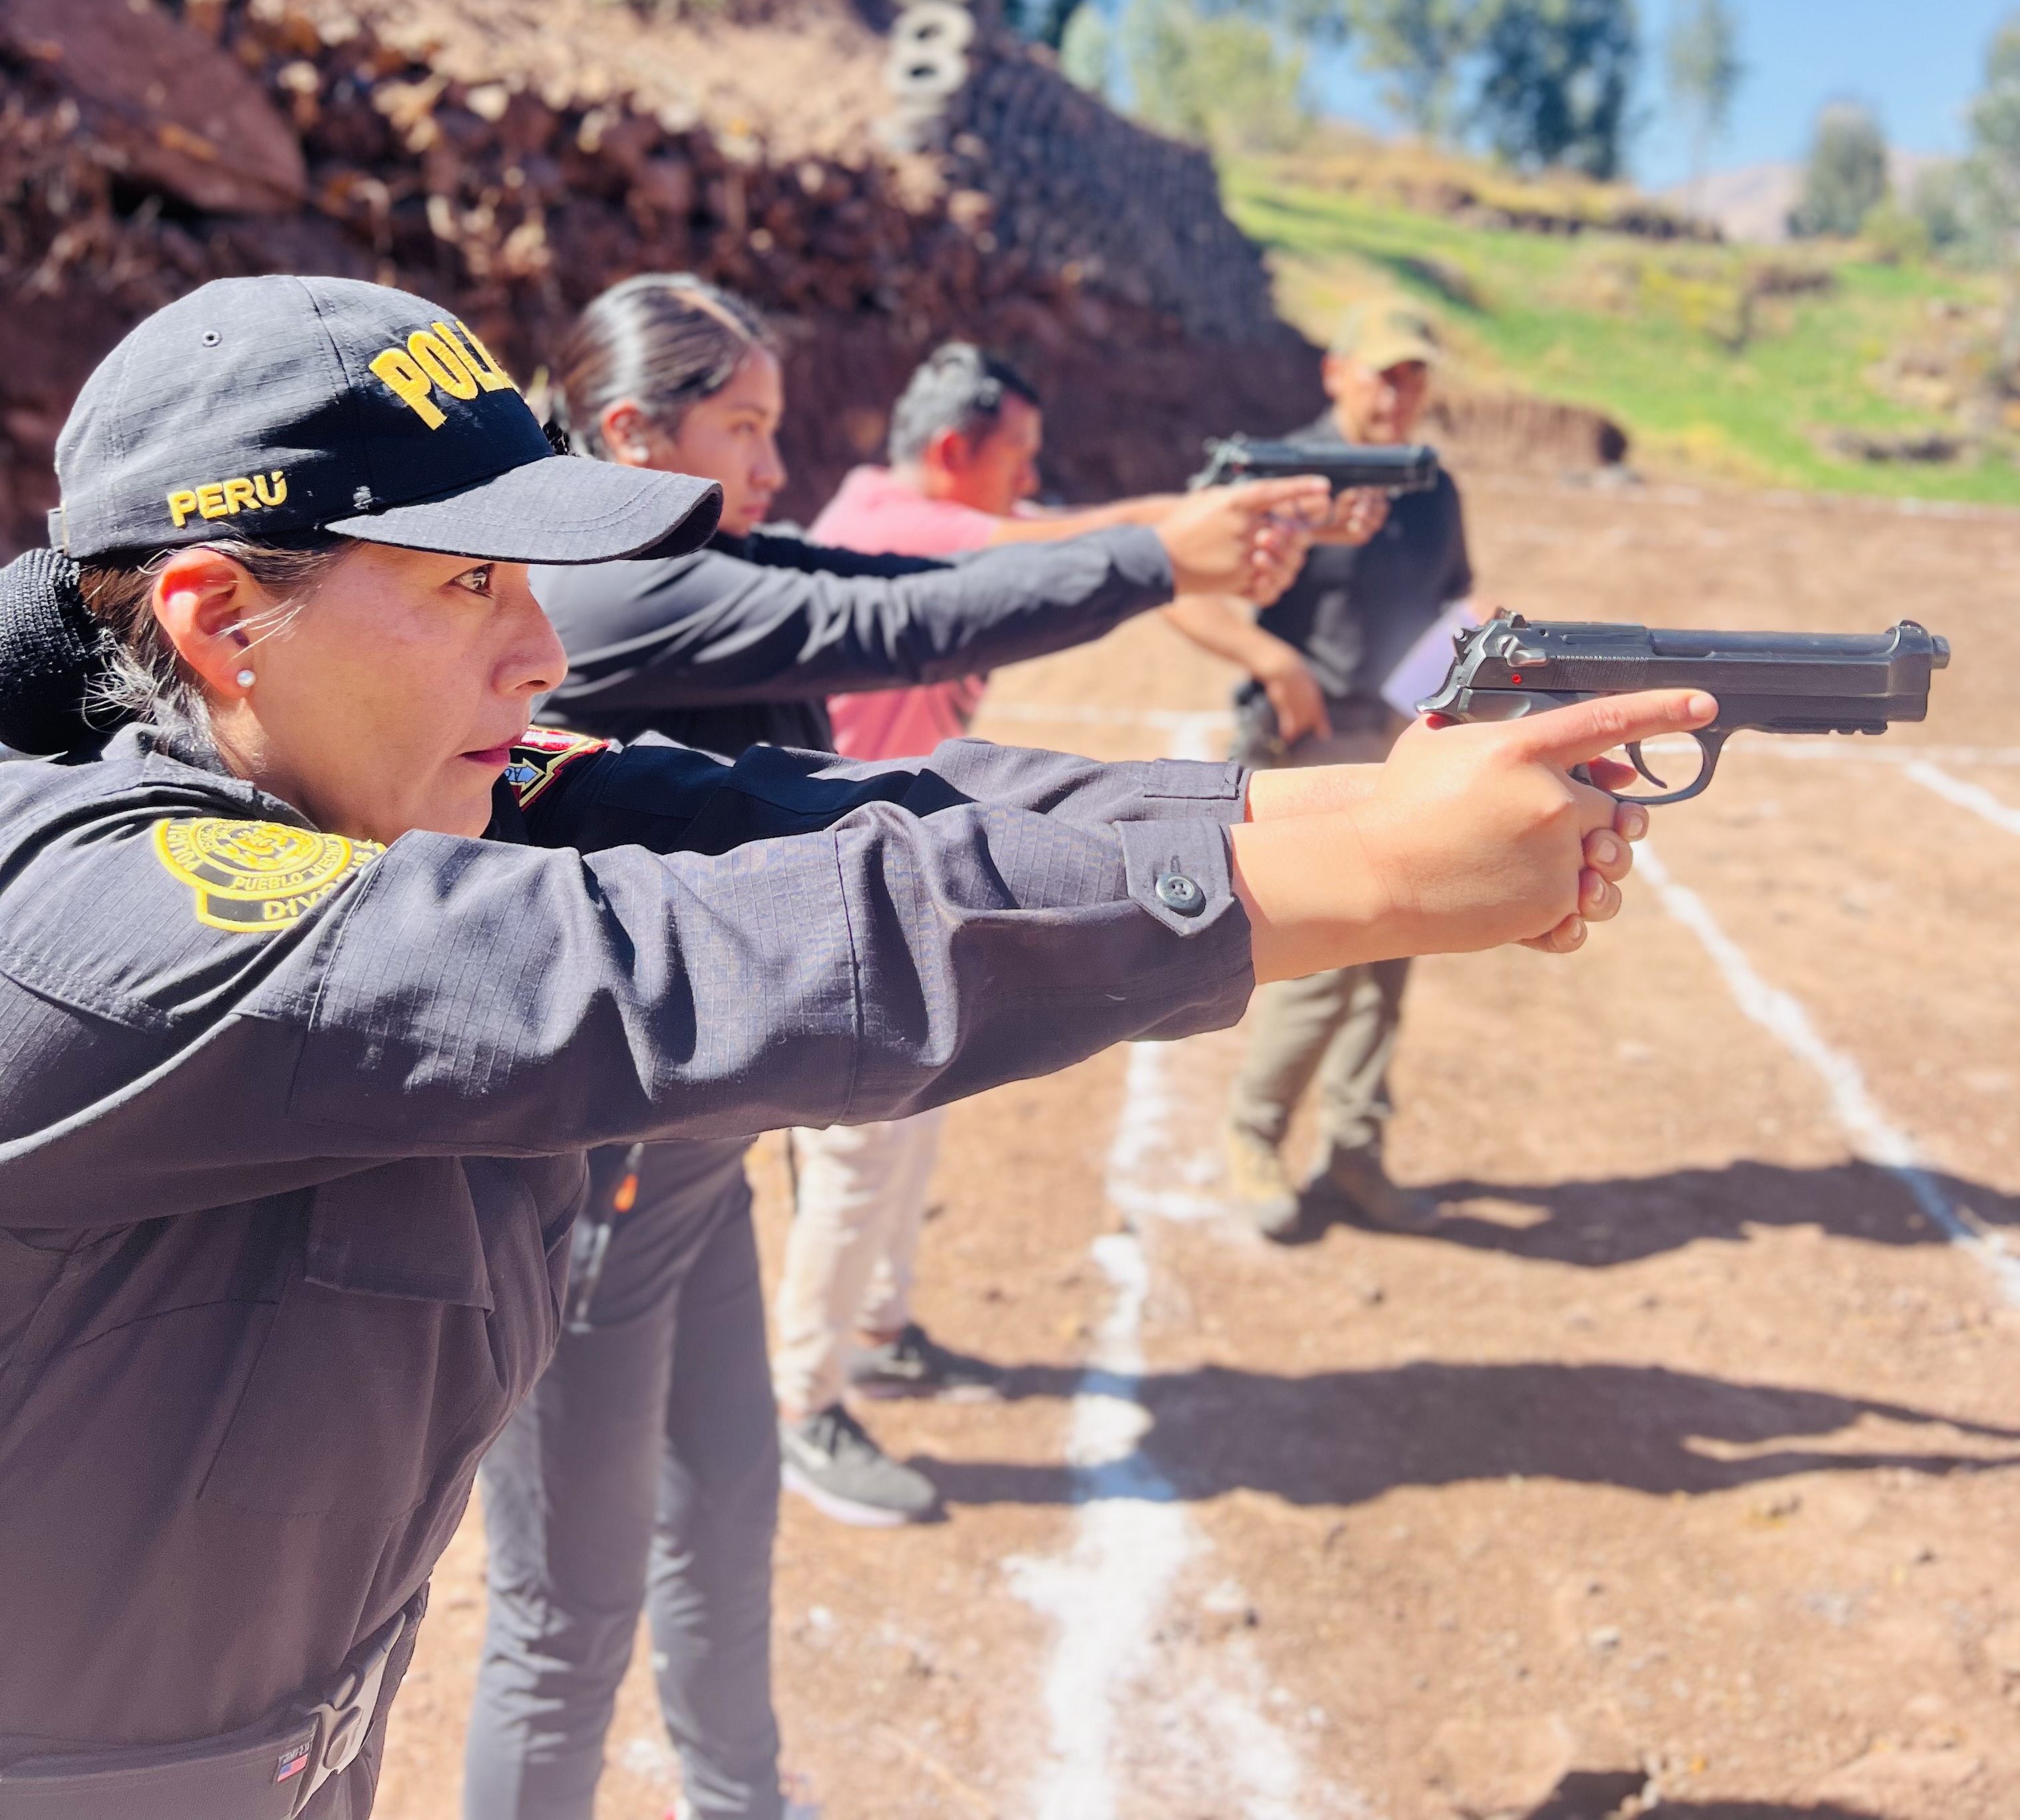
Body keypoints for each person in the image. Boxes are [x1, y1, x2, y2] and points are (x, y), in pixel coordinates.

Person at [0, 268, 1691, 1818]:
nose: (540, 649)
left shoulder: (381, 784)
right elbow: (696, 957)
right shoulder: (104, 918)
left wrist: (1347, 828)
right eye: (466, 584)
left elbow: (828, 812)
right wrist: (1347, 872)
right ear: (223, 621)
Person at [467, 279, 1321, 1816]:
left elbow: (867, 567)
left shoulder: (691, 555)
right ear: (627, 433)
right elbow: (884, 618)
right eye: (746, 431)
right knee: (562, 1619)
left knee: (725, 1516)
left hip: (694, 1163)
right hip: (589, 1191)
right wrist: (1150, 560)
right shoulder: (603, 590)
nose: (777, 467)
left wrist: (1152, 541)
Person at [768, 341, 1227, 1529]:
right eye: (1016, 459)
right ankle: (799, 1404)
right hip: (824, 874)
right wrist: (1183, 525)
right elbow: (1064, 547)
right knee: (857, 1142)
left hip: (880, 857)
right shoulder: (894, 520)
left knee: (911, 1109)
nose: (1031, 482)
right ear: (956, 451)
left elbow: (1051, 535)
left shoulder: (925, 515)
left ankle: (878, 1331)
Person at [1173, 301, 1475, 1243]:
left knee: (1392, 967)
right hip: (1297, 753)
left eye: (1415, 375)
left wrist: (1438, 686)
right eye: (1385, 373)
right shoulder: (1276, 474)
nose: (1400, 393)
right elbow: (1176, 585)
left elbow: (1454, 601)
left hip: (1393, 746)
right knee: (1316, 969)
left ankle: (1355, 1154)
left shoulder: (1434, 487)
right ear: (1335, 373)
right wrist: (1276, 664)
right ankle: (1256, 1141)